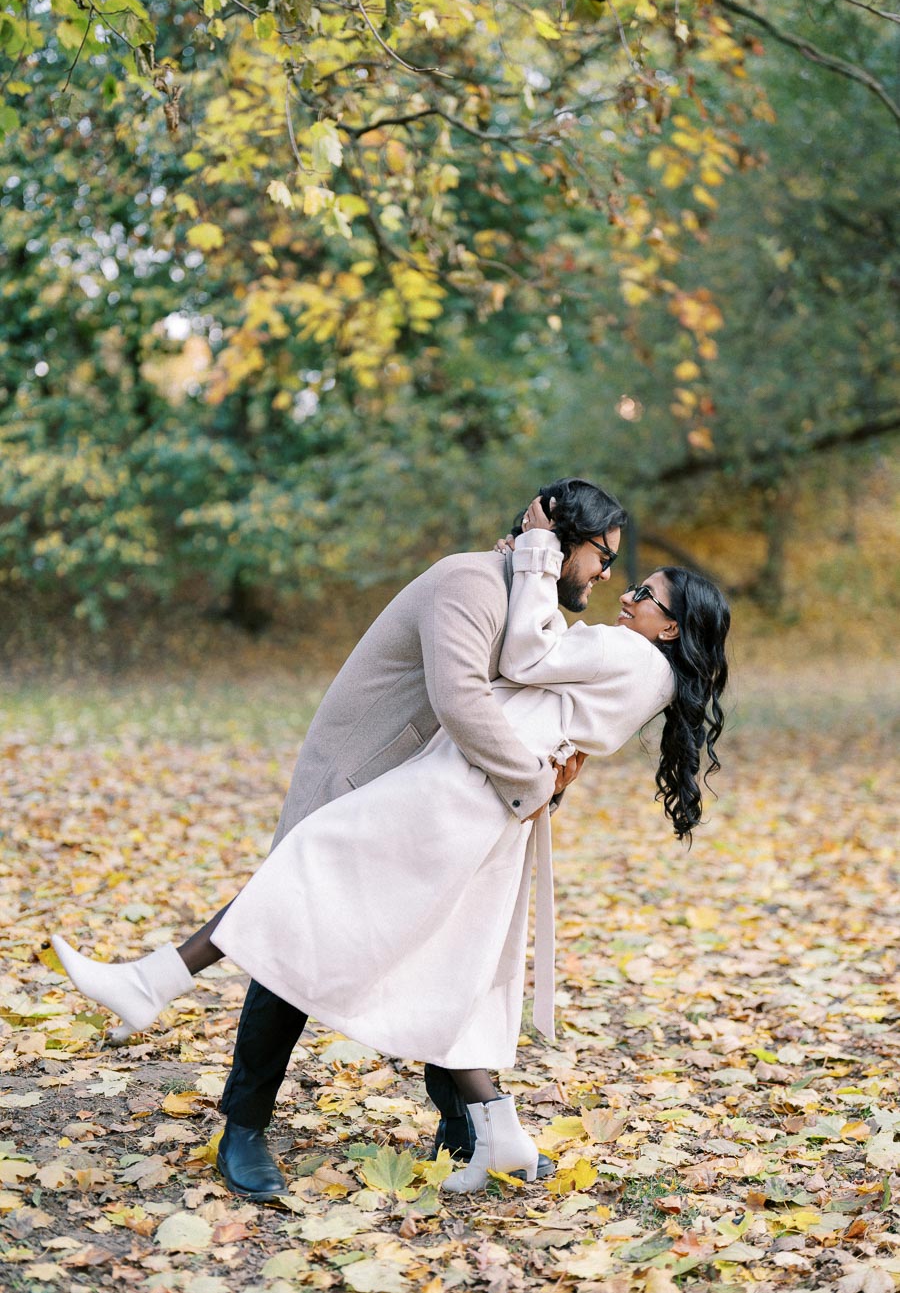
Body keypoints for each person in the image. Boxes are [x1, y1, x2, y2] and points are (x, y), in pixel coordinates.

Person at [54, 492, 730, 1195]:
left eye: (634, 583)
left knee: (430, 946)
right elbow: (467, 698)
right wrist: (538, 780)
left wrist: (544, 777)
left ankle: (476, 1129)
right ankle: (247, 1123)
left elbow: (536, 686)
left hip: (460, 792)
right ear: (561, 541)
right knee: (308, 908)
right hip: (376, 770)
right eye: (603, 557)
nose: (612, 580)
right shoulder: (474, 581)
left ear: (670, 626)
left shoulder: (565, 619)